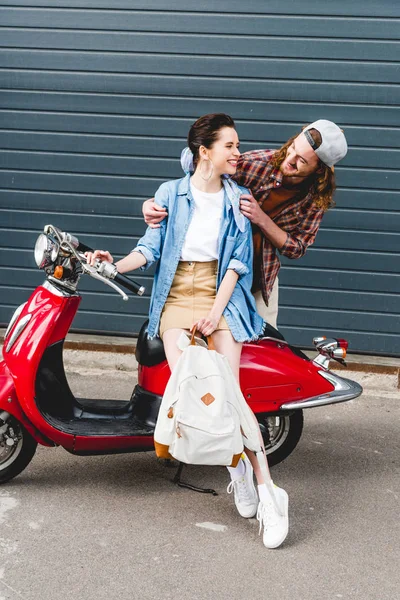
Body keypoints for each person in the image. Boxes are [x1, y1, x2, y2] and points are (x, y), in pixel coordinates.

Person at [86, 113, 289, 549]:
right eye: (230, 146)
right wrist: (112, 265)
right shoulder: (169, 194)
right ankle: (237, 469)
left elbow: (238, 263)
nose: (238, 153)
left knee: (230, 396)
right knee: (198, 389)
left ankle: (271, 495)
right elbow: (150, 249)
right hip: (176, 297)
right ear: (205, 151)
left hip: (222, 294)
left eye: (237, 145)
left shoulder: (239, 198)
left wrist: (216, 314)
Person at [142, 119, 348, 329]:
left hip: (260, 279)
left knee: (263, 348)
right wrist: (154, 203)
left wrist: (262, 219)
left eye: (302, 161)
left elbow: (297, 248)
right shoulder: (257, 163)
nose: (290, 158)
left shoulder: (315, 199)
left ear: (319, 171)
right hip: (217, 278)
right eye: (293, 147)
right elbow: (200, 175)